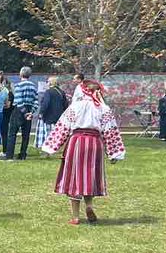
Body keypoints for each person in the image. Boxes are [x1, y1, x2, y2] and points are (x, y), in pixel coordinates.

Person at [42, 80, 126, 224]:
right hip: (95, 143)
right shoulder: (103, 109)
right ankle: (89, 206)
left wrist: (51, 147)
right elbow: (110, 131)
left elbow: (63, 127)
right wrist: (114, 153)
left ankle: (75, 216)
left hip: (77, 142)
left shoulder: (75, 106)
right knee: (89, 176)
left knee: (75, 177)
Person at [5, 67, 38, 160]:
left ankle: (9, 155)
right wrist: (31, 112)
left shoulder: (18, 86)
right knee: (26, 134)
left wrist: (25, 112)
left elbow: (18, 100)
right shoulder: (33, 86)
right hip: (29, 109)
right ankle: (23, 155)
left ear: (21, 74)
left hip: (19, 110)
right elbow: (36, 100)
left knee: (12, 133)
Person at [35, 76, 67, 152]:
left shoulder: (48, 92)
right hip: (59, 116)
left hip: (49, 116)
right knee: (56, 133)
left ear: (51, 82)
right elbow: (65, 104)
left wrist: (41, 113)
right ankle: (57, 148)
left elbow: (45, 104)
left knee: (48, 134)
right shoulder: (61, 92)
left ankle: (48, 149)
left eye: (48, 81)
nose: (47, 83)